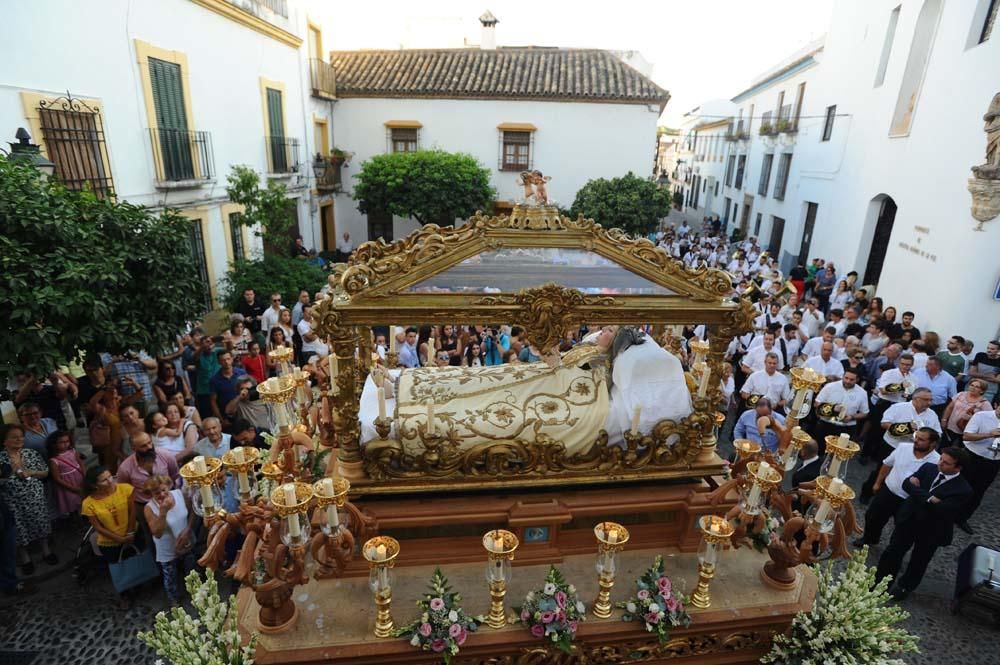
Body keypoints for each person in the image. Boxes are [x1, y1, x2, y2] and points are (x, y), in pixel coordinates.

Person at [875, 447, 972, 600]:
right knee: (893, 552)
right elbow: (907, 484)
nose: (940, 464)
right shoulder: (928, 468)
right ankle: (880, 581)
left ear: (958, 467)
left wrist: (918, 491)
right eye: (941, 459)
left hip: (932, 530)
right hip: (909, 520)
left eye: (946, 463)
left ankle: (905, 587)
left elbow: (942, 508)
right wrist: (929, 498)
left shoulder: (963, 490)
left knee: (919, 560)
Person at [854, 428, 941, 548]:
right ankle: (870, 538)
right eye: (916, 437)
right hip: (889, 491)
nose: (916, 441)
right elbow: (887, 464)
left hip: (910, 500)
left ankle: (894, 548)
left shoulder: (937, 461)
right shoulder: (903, 448)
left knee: (902, 527)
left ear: (932, 444)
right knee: (872, 516)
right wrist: (877, 483)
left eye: (921, 439)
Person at [861, 388, 942, 502]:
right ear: (916, 398)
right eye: (926, 399)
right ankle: (868, 492)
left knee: (903, 473)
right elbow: (884, 423)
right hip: (892, 445)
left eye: (930, 400)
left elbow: (938, 433)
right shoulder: (899, 407)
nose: (929, 403)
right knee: (882, 469)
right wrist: (904, 428)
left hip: (914, 450)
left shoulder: (932, 415)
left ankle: (890, 495)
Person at [0, 424, 56, 574]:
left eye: (21, 436)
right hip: (12, 502)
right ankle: (25, 558)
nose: (19, 439)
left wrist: (32, 472)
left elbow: (45, 472)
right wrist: (6, 477)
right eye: (14, 437)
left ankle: (46, 551)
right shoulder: (1, 459)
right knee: (19, 528)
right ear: (4, 441)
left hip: (35, 498)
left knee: (40, 523)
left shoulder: (31, 453)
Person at [81, 466, 137, 607]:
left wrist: (130, 533)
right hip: (109, 542)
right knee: (118, 569)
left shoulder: (125, 489)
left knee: (135, 560)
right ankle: (125, 595)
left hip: (132, 533)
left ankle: (139, 583)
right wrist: (118, 539)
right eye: (104, 480)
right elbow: (97, 527)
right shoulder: (88, 504)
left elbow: (133, 512)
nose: (110, 481)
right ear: (94, 485)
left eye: (110, 477)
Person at [143, 475, 194, 604]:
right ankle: (174, 600)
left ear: (168, 486)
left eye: (163, 490)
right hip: (167, 549)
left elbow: (192, 512)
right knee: (170, 576)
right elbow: (157, 533)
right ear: (151, 493)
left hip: (186, 542)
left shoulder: (178, 494)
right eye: (156, 493)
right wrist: (163, 512)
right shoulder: (149, 508)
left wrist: (188, 529)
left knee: (191, 568)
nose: (161, 494)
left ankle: (196, 591)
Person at [957, 402, 1000, 533]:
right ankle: (944, 514)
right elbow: (967, 435)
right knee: (958, 486)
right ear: (996, 405)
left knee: (978, 492)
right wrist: (989, 434)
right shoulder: (981, 416)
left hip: (992, 462)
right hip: (971, 457)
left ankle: (962, 518)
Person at [116, 432, 180, 510]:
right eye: (143, 446)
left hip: (168, 498)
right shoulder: (125, 468)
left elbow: (174, 475)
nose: (149, 447)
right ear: (134, 448)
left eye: (149, 442)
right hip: (144, 505)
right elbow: (124, 491)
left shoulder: (166, 455)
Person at [812, 367, 869, 455]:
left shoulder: (862, 393)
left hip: (846, 428)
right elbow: (816, 403)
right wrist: (832, 408)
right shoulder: (830, 386)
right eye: (846, 378)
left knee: (836, 455)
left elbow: (865, 413)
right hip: (826, 423)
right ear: (843, 376)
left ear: (857, 380)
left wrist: (852, 417)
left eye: (851, 379)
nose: (848, 381)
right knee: (818, 450)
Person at [941, 379, 992, 444]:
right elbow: (949, 408)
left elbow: (988, 419)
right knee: (944, 446)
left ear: (982, 391)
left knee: (960, 451)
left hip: (966, 431)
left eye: (977, 387)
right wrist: (944, 420)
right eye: (972, 385)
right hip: (950, 427)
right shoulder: (961, 394)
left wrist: (972, 418)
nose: (973, 388)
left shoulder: (985, 403)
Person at [47, 430, 84, 519]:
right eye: (61, 442)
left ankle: (85, 518)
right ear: (54, 444)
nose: (65, 444)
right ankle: (75, 521)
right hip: (67, 485)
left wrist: (85, 476)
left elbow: (81, 464)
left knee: (83, 501)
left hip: (79, 480)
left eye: (67, 441)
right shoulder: (54, 460)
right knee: (72, 503)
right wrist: (72, 488)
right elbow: (57, 478)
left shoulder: (73, 451)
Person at [209, 350, 246, 428]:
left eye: (228, 359)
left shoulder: (241, 373)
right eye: (223, 360)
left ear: (232, 359)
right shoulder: (215, 380)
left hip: (244, 412)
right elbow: (213, 401)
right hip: (227, 417)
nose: (226, 362)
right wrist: (221, 420)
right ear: (219, 362)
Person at [968, 340, 1000, 404]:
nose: (989, 350)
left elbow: (998, 380)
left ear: (998, 350)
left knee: (981, 411)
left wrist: (977, 375)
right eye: (988, 348)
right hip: (973, 387)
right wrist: (989, 376)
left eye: (992, 349)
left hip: (989, 391)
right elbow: (971, 373)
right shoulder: (980, 355)